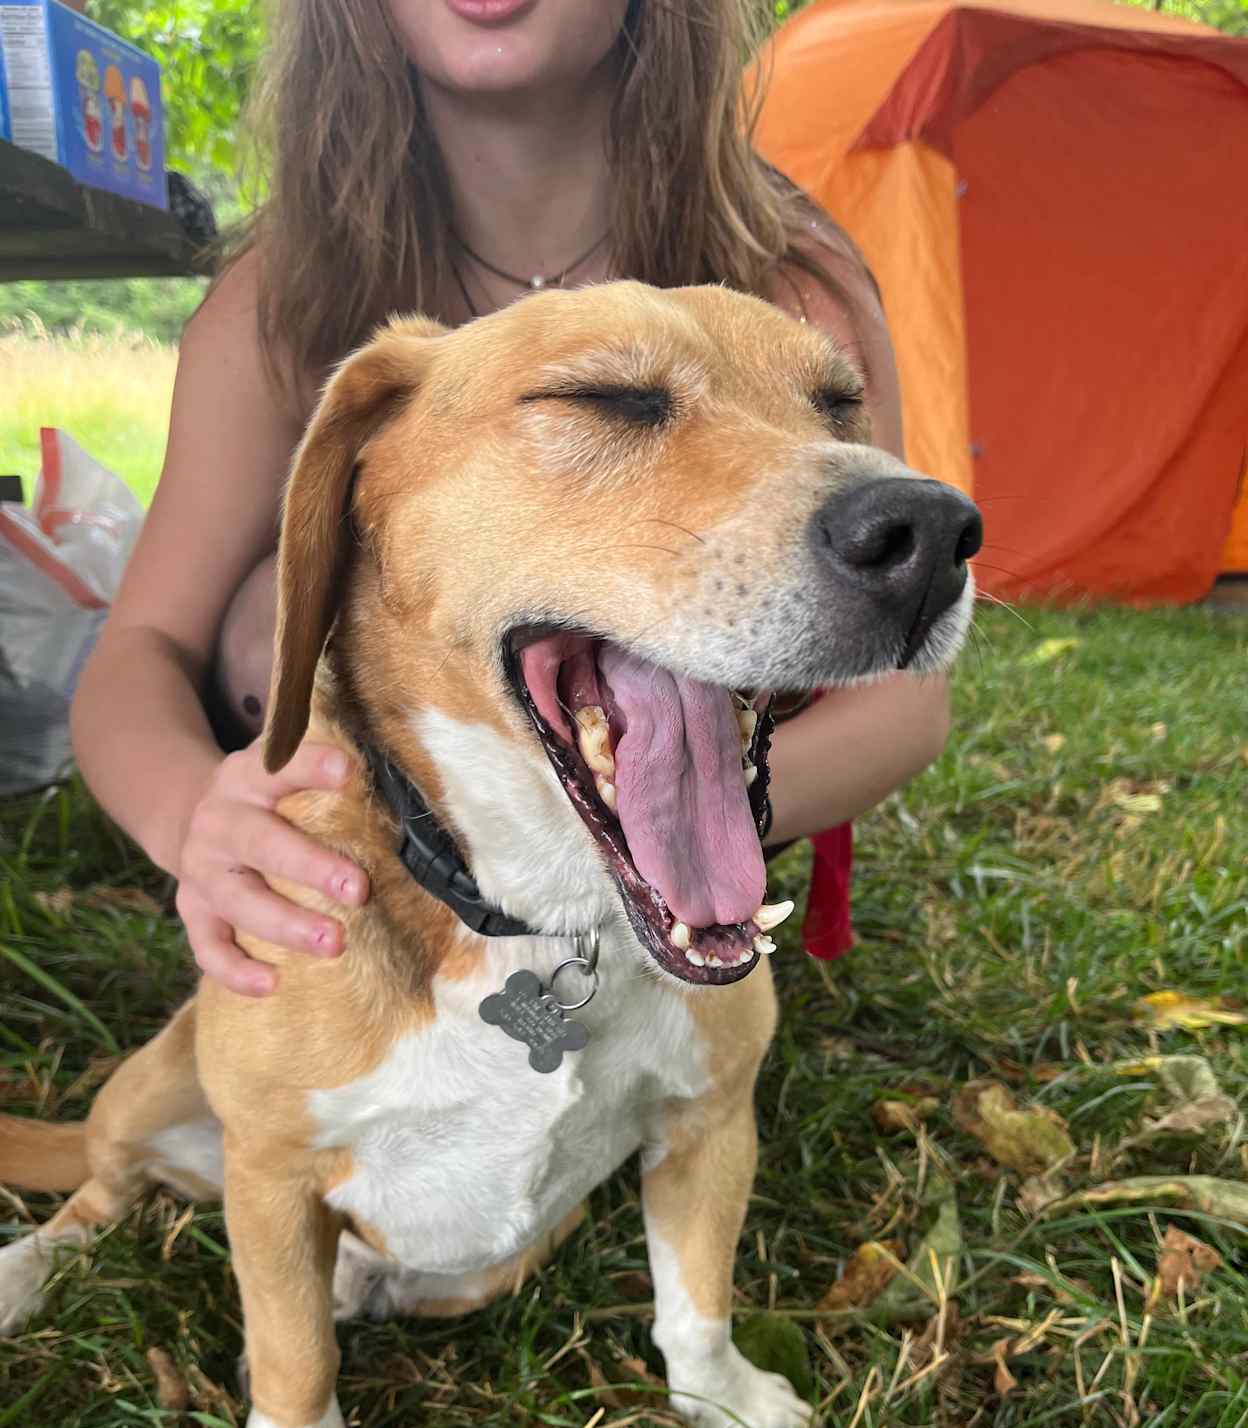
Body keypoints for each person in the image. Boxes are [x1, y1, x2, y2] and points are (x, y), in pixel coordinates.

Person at [70, 0, 954, 999]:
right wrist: (193, 814)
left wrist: (633, 825)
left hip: (718, 808)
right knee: (262, 611)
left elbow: (905, 712)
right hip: (381, 848)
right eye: (610, 399)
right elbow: (142, 648)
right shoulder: (275, 303)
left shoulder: (794, 278)